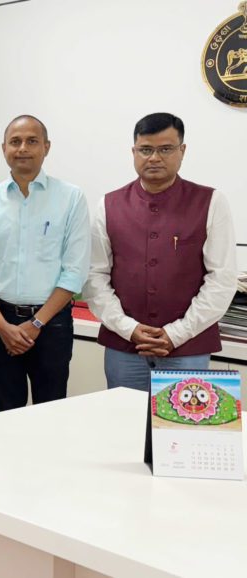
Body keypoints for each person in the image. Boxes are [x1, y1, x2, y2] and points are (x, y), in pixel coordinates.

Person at [83, 113, 237, 392]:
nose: (154, 158)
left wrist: (175, 333)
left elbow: (222, 279)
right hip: (124, 346)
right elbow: (95, 277)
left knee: (184, 420)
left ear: (182, 151)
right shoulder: (108, 204)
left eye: (165, 149)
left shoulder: (211, 202)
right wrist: (128, 328)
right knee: (124, 418)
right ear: (133, 152)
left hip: (188, 347)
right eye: (146, 149)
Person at [0, 115, 90, 412]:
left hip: (52, 324)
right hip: (0, 322)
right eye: (15, 141)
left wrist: (36, 324)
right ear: (4, 148)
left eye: (32, 141)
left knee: (50, 414)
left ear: (46, 147)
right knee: (4, 414)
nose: (22, 148)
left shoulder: (71, 198)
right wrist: (0, 325)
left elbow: (74, 272)